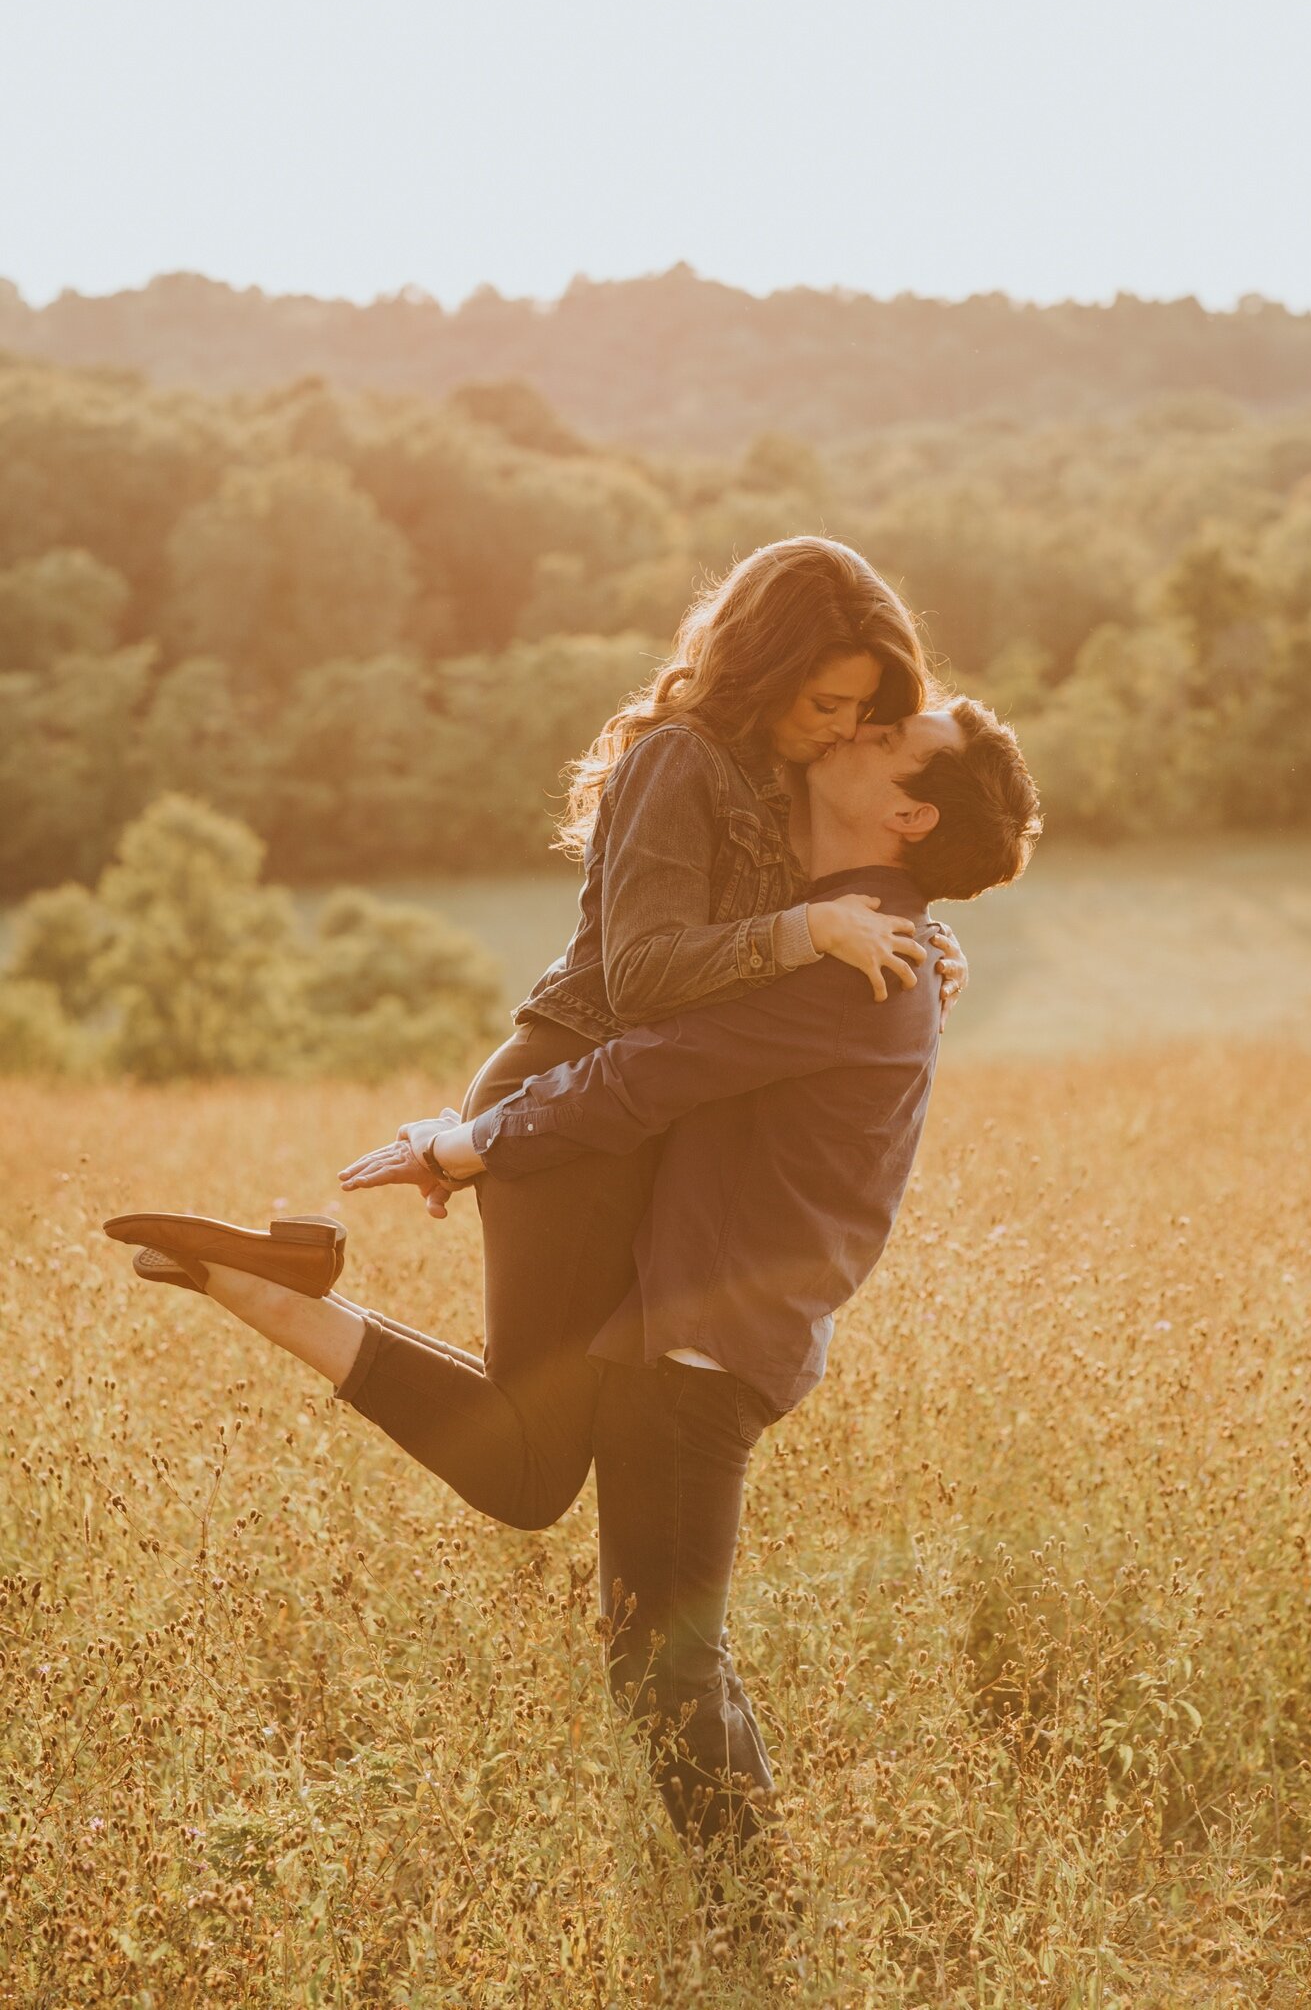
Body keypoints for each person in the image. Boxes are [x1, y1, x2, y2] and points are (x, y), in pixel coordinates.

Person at [108, 695, 1041, 1900]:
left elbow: (652, 1071)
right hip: (685, 1321)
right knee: (640, 1619)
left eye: (895, 732)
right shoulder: (849, 936)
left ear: (907, 812)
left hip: (703, 1335)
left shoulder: (867, 960)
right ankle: (759, 1919)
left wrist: (466, 1144)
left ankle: (756, 1927)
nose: (863, 724)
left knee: (640, 1629)